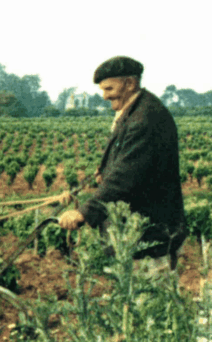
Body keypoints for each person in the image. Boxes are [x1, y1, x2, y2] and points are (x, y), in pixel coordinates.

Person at [58, 56, 187, 269]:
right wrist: (96, 178)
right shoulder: (134, 110)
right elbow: (122, 162)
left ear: (130, 83)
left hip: (150, 236)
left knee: (149, 299)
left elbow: (124, 177)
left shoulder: (145, 119)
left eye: (109, 88)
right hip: (138, 234)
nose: (104, 96)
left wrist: (83, 212)